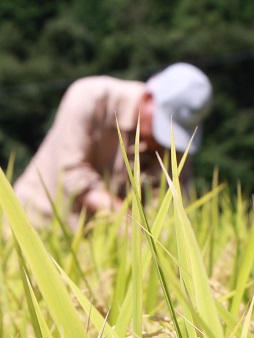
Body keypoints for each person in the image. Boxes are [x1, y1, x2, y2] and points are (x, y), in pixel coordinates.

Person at [13, 63, 212, 230]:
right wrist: (135, 226)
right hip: (35, 222)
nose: (165, 142)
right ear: (149, 99)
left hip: (95, 244)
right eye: (163, 128)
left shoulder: (175, 145)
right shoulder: (90, 97)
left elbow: (170, 204)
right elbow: (73, 174)